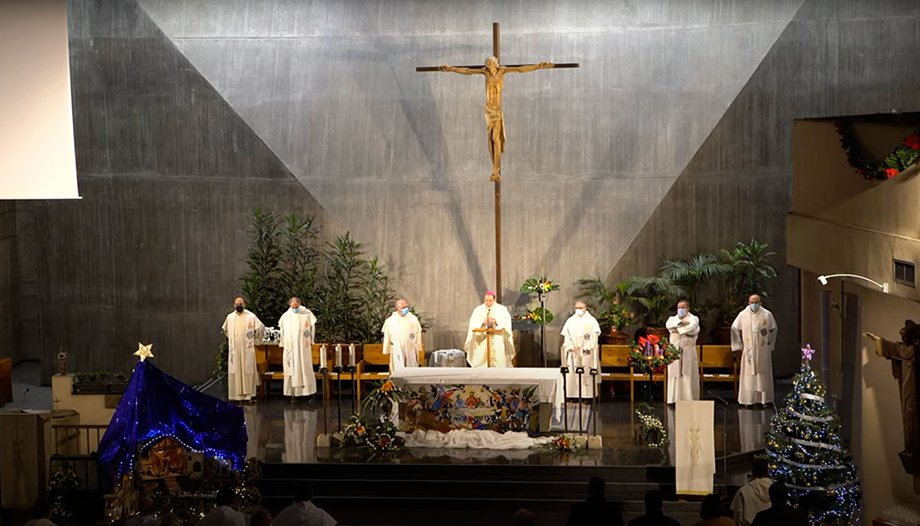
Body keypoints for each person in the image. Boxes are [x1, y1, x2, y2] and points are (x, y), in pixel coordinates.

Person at [438, 57, 554, 182]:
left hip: (497, 110)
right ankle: (494, 169)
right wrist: (451, 69)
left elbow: (520, 69)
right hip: (489, 110)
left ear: (496, 64)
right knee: (490, 139)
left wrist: (538, 66)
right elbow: (467, 71)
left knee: (495, 138)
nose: (491, 69)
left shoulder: (502, 71)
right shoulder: (484, 72)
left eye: (493, 66)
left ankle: (495, 168)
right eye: (489, 67)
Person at [731, 294, 777, 406]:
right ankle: (748, 400)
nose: (754, 304)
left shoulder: (766, 314)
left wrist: (769, 343)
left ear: (760, 302)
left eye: (756, 302)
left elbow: (773, 329)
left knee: (762, 374)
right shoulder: (743, 315)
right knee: (749, 374)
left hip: (762, 349)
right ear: (748, 302)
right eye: (752, 302)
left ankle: (764, 400)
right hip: (749, 349)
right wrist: (739, 345)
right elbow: (734, 328)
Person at [222, 296, 265, 402]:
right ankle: (236, 395)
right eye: (237, 304)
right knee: (235, 370)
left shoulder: (251, 316)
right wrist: (234, 340)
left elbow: (261, 328)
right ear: (234, 305)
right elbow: (226, 330)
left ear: (244, 304)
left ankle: (248, 395)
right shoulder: (230, 317)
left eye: (240, 304)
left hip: (247, 349)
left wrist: (255, 339)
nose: (239, 306)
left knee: (247, 370)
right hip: (235, 349)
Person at [560, 301, 602, 399]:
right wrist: (571, 347)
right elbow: (567, 337)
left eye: (580, 307)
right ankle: (573, 395)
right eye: (577, 307)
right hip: (574, 352)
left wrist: (585, 347)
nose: (578, 309)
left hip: (587, 353)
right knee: (573, 375)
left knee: (587, 374)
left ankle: (587, 397)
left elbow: (594, 337)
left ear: (585, 308)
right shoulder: (570, 321)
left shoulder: (592, 321)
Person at [278, 296, 318, 398]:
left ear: (299, 304)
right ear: (290, 304)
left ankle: (308, 392)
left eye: (296, 305)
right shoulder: (286, 316)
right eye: (293, 305)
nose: (294, 307)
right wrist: (282, 341)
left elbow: (312, 327)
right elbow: (282, 330)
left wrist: (311, 339)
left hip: (302, 347)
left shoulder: (307, 313)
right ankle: (292, 393)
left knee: (304, 367)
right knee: (291, 367)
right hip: (290, 347)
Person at [464, 290, 515, 367]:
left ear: (494, 300)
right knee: (481, 355)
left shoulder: (502, 309)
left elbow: (506, 324)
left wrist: (496, 321)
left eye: (490, 301)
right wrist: (482, 322)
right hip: (483, 337)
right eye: (486, 300)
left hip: (497, 337)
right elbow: (473, 324)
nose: (488, 303)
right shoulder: (478, 310)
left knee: (499, 355)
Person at [665, 299, 701, 403]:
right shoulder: (672, 318)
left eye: (683, 307)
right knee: (675, 374)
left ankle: (688, 399)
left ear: (688, 308)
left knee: (687, 374)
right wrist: (682, 323)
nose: (681, 310)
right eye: (679, 308)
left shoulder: (694, 318)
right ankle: (674, 399)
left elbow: (693, 328)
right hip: (675, 349)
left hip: (688, 350)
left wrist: (677, 329)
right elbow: (669, 326)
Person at [381, 298, 423, 370]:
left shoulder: (413, 319)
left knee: (411, 369)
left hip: (410, 348)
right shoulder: (390, 321)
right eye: (403, 308)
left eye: (406, 307)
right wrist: (386, 350)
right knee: (398, 369)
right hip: (397, 349)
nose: (405, 309)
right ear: (397, 308)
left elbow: (418, 333)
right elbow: (387, 336)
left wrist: (418, 346)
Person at [731, 458, 773, 526]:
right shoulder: (777, 491)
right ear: (767, 471)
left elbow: (738, 518)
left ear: (752, 471)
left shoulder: (743, 491)